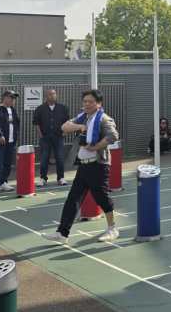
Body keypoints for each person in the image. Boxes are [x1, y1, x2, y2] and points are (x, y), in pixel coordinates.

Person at [44, 89, 121, 244]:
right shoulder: (83, 118)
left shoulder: (104, 119)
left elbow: (113, 135)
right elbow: (64, 127)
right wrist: (80, 127)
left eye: (90, 101)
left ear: (98, 103)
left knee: (102, 198)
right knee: (73, 199)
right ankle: (62, 233)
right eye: (85, 101)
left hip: (98, 165)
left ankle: (112, 228)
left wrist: (96, 146)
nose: (86, 104)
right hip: (84, 166)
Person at [32, 88, 70, 187]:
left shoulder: (63, 108)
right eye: (50, 94)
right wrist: (40, 134)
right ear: (46, 96)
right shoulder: (40, 108)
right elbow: (36, 123)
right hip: (45, 137)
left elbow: (67, 121)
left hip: (59, 136)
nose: (52, 96)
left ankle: (61, 178)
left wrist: (65, 132)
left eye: (54, 94)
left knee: (60, 157)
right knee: (44, 158)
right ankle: (43, 178)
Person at [0, 89, 20, 195]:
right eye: (11, 98)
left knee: (7, 163)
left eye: (14, 98)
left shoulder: (13, 110)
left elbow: (16, 123)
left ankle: (3, 182)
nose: (13, 100)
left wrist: (15, 136)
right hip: (0, 142)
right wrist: (0, 135)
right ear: (5, 98)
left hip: (11, 141)